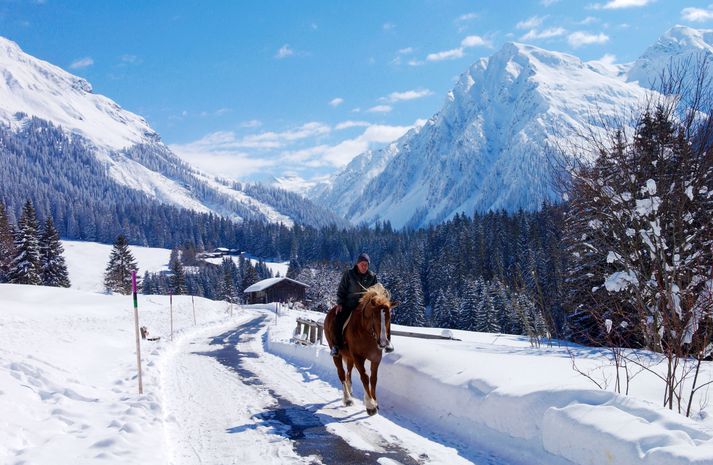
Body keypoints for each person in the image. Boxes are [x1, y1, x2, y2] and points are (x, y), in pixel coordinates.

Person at [330, 252, 393, 356]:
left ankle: (387, 341)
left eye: (366, 264)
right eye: (362, 264)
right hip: (349, 304)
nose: (364, 266)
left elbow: (377, 291)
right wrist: (340, 303)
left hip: (366, 306)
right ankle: (336, 346)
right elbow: (341, 289)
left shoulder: (372, 276)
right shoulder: (349, 274)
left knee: (384, 317)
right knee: (339, 319)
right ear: (357, 264)